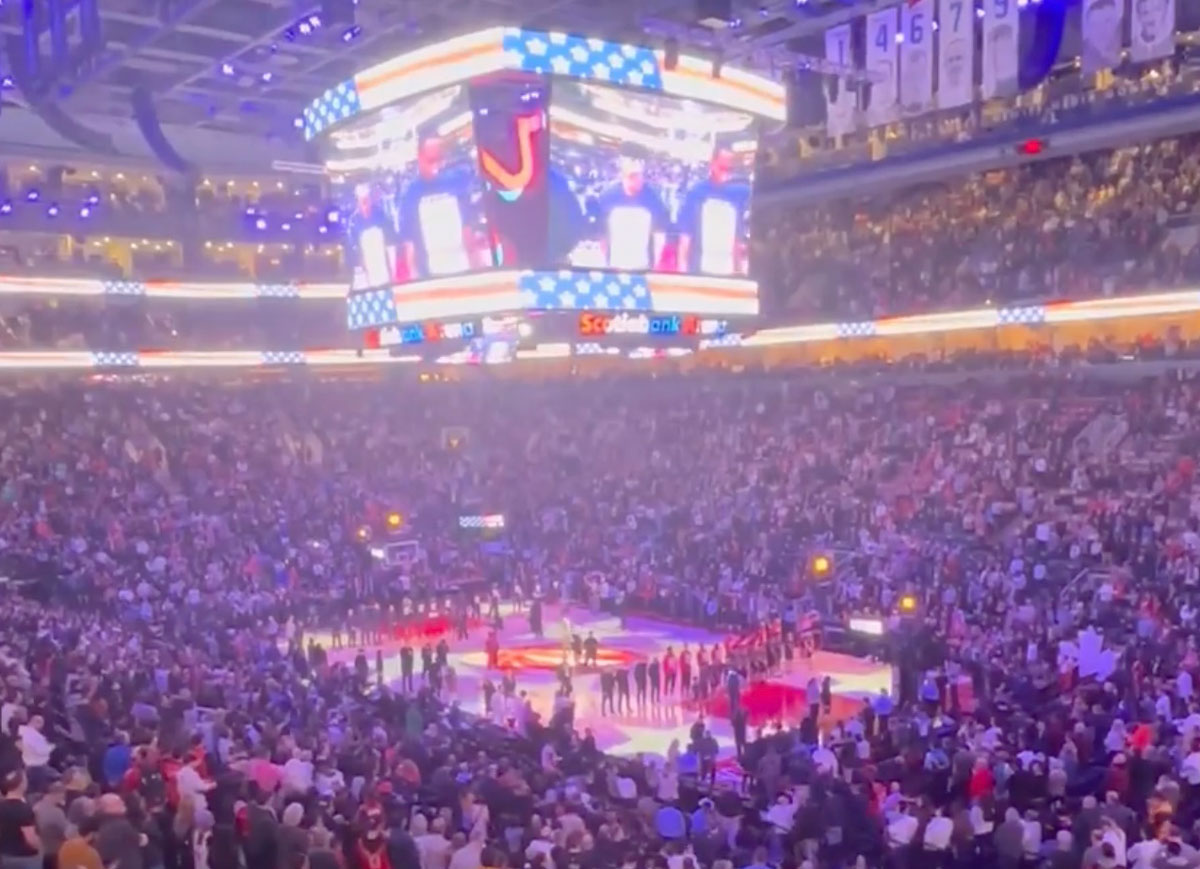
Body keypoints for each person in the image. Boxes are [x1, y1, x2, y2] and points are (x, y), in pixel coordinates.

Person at [0, 770, 40, 869]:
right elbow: (30, 838)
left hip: (5, 856)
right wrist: (40, 847)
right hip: (24, 858)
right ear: (21, 784)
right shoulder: (24, 809)